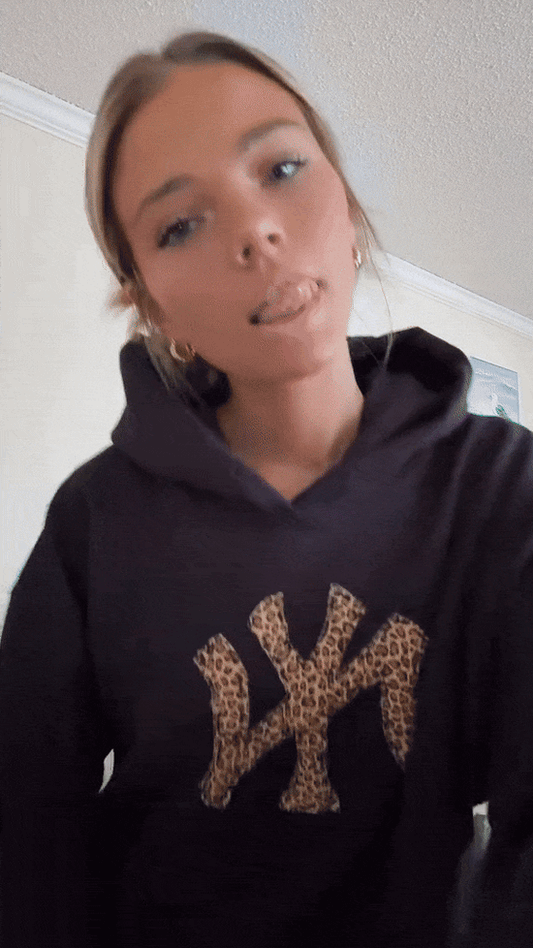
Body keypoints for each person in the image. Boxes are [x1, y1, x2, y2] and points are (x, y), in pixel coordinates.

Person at [0, 28, 532, 948]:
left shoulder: (501, 489)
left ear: (346, 202)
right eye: (180, 225)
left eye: (281, 168)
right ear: (152, 304)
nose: (254, 231)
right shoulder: (94, 521)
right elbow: (27, 839)